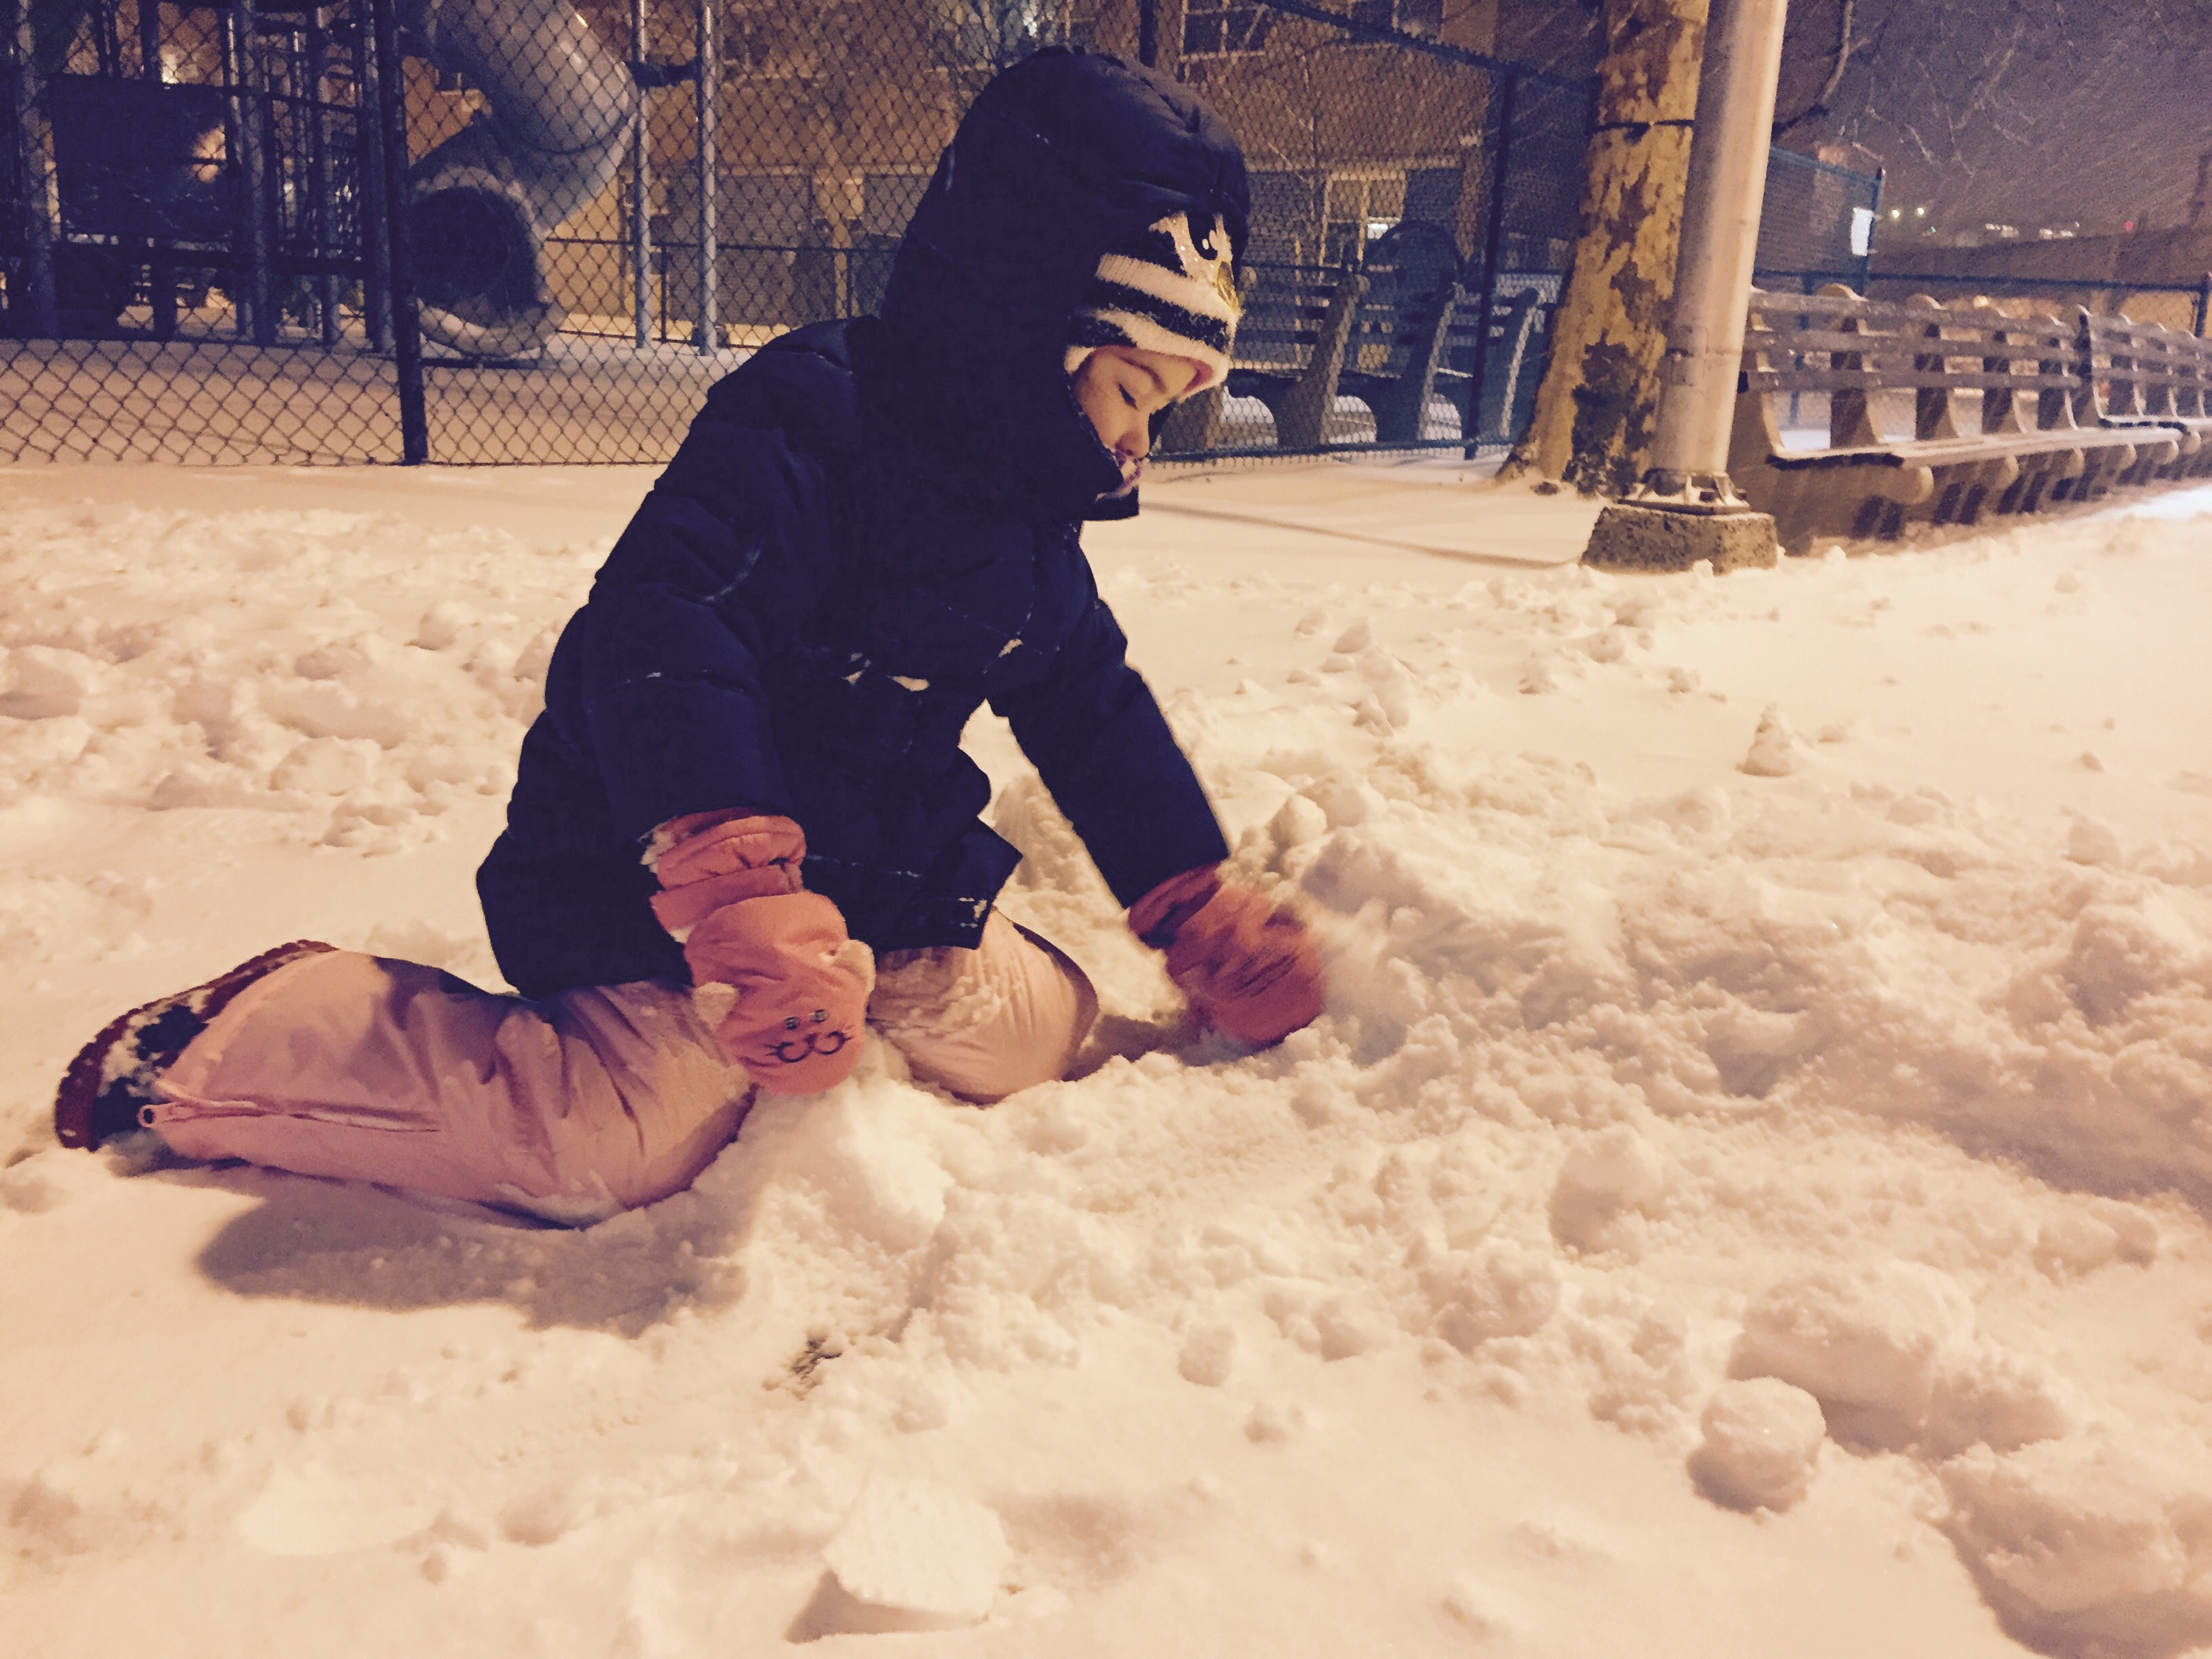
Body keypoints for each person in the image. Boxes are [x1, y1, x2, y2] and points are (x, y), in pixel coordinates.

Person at [49, 49, 1325, 1224]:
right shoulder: (813, 430)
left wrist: (1191, 900)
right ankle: (259, 1032)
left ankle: (841, 977)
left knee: (1036, 1036)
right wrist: (735, 892)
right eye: (1130, 391)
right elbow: (665, 635)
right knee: (623, 1134)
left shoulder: (1030, 533)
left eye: (1159, 411)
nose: (1135, 445)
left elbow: (1092, 709)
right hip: (649, 880)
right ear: (1026, 324)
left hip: (875, 886)